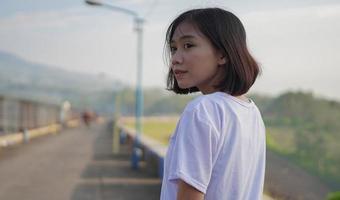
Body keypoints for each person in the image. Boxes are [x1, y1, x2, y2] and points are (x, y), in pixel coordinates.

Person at [160, 8, 266, 200]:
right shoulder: (251, 111)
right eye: (174, 48)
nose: (175, 59)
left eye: (189, 45)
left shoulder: (202, 110)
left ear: (222, 54)